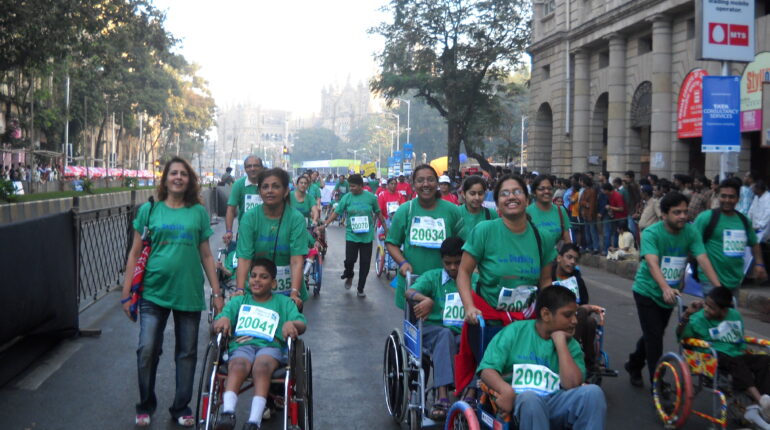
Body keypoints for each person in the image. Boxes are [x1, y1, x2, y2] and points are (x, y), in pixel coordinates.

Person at [121, 157, 223, 427]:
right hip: (152, 292)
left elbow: (206, 254)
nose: (178, 177)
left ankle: (181, 406)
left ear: (190, 180)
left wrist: (216, 293)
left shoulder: (198, 212)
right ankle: (145, 403)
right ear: (165, 178)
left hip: (188, 293)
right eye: (173, 173)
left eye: (184, 174)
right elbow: (133, 253)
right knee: (146, 349)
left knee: (186, 352)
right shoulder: (149, 211)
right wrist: (126, 291)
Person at [454, 174, 556, 395]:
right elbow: (463, 272)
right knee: (495, 371)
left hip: (528, 317)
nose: (511, 197)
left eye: (517, 192)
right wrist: (469, 307)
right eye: (505, 193)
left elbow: (546, 280)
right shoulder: (485, 230)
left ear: (527, 199)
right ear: (497, 202)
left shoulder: (543, 237)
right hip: (490, 317)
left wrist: (550, 312)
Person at [625, 192, 723, 387]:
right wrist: (664, 287)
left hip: (671, 293)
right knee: (655, 338)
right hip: (648, 290)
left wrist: (720, 290)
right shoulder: (652, 233)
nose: (682, 216)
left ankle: (634, 363)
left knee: (655, 333)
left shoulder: (690, 231)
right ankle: (658, 384)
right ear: (664, 214)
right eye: (677, 212)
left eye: (685, 212)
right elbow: (652, 263)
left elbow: (702, 258)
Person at [477, 285, 607, 430]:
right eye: (568, 315)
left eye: (575, 314)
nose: (575, 321)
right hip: (518, 404)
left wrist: (560, 342)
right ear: (546, 314)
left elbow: (572, 385)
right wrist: (505, 390)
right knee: (530, 399)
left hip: (555, 403)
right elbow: (487, 369)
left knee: (593, 393)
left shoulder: (572, 345)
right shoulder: (515, 332)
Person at [213, 258, 307, 430]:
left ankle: (254, 421)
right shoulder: (238, 302)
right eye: (254, 276)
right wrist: (224, 318)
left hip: (270, 348)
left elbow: (301, 324)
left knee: (261, 366)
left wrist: (291, 324)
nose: (257, 280)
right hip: (242, 345)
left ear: (273, 283)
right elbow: (219, 320)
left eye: (263, 277)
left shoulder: (283, 303)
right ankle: (228, 413)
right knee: (238, 364)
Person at [405, 237, 478, 420]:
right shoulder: (433, 277)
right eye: (448, 263)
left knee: (481, 339)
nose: (453, 267)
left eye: (457, 263)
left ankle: (471, 393)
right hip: (434, 330)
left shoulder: (474, 280)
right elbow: (409, 292)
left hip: (462, 332)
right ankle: (442, 393)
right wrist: (425, 299)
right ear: (442, 261)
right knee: (444, 334)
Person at [677, 286, 770, 429]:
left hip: (735, 354)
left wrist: (746, 351)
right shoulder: (697, 318)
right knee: (735, 361)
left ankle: (761, 404)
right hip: (710, 357)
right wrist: (687, 315)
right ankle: (760, 402)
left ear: (724, 310)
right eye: (706, 304)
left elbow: (739, 341)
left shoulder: (734, 316)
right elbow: (681, 338)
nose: (706, 309)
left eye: (711, 307)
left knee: (764, 360)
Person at [386, 164, 464, 309]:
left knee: (445, 330)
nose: (426, 184)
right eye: (420, 180)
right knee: (414, 329)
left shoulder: (452, 211)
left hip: (445, 285)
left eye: (430, 180)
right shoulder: (405, 210)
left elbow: (465, 244)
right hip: (413, 283)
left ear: (437, 183)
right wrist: (402, 263)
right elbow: (391, 243)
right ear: (413, 184)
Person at [235, 168, 309, 310]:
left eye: (275, 186)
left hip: (289, 293)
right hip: (255, 292)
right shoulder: (249, 218)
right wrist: (239, 290)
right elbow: (244, 258)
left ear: (286, 191)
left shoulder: (296, 219)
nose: (270, 190)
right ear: (259, 192)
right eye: (265, 187)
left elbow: (296, 260)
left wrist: (294, 293)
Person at [693, 178, 767, 293]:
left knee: (731, 311)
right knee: (714, 310)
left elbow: (754, 243)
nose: (727, 200)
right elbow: (691, 244)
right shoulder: (705, 218)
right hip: (710, 281)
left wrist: (759, 263)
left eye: (731, 197)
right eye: (723, 196)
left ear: (738, 199)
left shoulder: (744, 220)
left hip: (735, 281)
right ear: (718, 197)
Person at [320, 174, 387, 297]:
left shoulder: (371, 198)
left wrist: (385, 227)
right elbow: (337, 212)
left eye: (353, 186)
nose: (351, 188)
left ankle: (360, 288)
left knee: (365, 263)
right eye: (349, 186)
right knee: (350, 260)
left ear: (361, 186)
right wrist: (326, 223)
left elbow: (378, 212)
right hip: (352, 235)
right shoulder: (347, 198)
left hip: (366, 237)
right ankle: (349, 275)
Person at [551, 244, 605, 378]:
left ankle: (589, 362)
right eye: (569, 257)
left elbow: (585, 302)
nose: (572, 262)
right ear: (559, 258)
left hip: (576, 318)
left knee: (591, 321)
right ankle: (570, 354)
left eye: (575, 259)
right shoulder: (549, 278)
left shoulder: (577, 280)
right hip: (555, 317)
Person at [224, 155, 264, 245]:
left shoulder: (268, 184)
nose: (252, 169)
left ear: (261, 167)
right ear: (245, 169)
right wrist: (229, 231)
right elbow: (230, 209)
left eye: (255, 165)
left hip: (267, 234)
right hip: (245, 233)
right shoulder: (238, 185)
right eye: (249, 166)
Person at [526, 174, 571, 252]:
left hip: (555, 260)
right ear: (534, 192)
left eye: (549, 188)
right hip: (534, 259)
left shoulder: (561, 211)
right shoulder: (526, 212)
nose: (546, 191)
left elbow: (567, 241)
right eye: (541, 189)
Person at [458, 175, 498, 241]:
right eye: (472, 193)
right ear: (463, 194)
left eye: (480, 193)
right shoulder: (456, 213)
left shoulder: (492, 214)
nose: (477, 198)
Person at [601, 182, 626, 248]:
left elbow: (621, 209)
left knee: (619, 235)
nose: (602, 191)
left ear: (607, 190)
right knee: (615, 234)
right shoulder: (609, 196)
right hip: (614, 218)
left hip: (621, 218)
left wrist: (610, 207)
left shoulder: (617, 196)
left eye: (603, 190)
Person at [579, 175, 599, 254]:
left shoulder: (592, 191)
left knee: (592, 231)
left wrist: (590, 214)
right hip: (585, 214)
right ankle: (589, 246)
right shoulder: (584, 190)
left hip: (590, 214)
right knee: (587, 232)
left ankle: (595, 247)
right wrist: (584, 203)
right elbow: (581, 201)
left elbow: (592, 204)